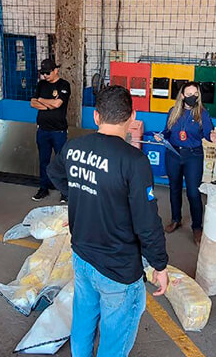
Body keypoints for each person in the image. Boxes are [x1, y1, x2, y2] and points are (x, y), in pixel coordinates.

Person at [47, 85, 169, 357]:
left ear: (96, 117)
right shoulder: (133, 161)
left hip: (82, 256)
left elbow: (54, 173)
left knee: (84, 318)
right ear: (133, 116)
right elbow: (147, 222)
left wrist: (76, 196)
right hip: (118, 268)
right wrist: (159, 265)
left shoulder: (74, 147)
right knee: (115, 336)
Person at [155, 81, 216, 246]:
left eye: (195, 95)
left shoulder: (202, 113)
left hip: (193, 156)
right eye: (188, 94)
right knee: (174, 188)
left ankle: (197, 227)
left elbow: (208, 133)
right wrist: (160, 135)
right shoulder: (173, 112)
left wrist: (213, 136)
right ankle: (176, 219)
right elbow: (167, 132)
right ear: (182, 96)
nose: (192, 97)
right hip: (173, 154)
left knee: (193, 193)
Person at [30, 58, 71, 203]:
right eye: (43, 73)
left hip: (58, 131)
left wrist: (42, 100)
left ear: (55, 70)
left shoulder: (64, 85)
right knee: (43, 161)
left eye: (48, 72)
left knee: (61, 161)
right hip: (43, 131)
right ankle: (43, 188)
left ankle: (65, 192)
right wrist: (48, 105)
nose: (45, 75)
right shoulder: (41, 84)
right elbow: (33, 102)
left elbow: (58, 103)